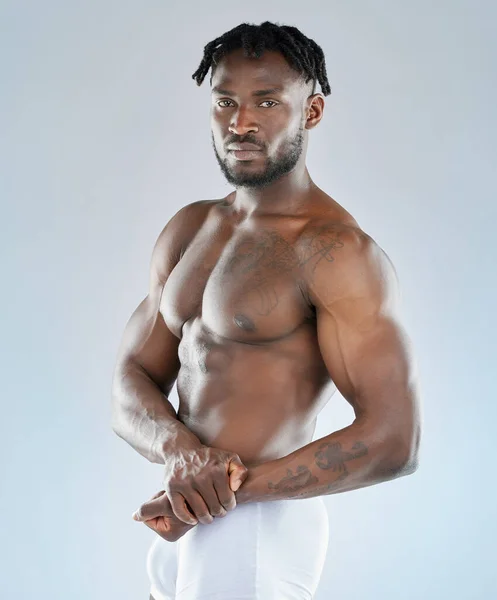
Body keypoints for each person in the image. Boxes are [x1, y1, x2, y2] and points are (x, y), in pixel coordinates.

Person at [111, 20, 422, 600]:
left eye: (267, 102)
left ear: (312, 112)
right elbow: (130, 379)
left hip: (256, 531)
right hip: (182, 521)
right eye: (225, 101)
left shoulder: (334, 251)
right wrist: (183, 459)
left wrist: (221, 491)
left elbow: (394, 438)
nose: (241, 122)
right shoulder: (191, 227)